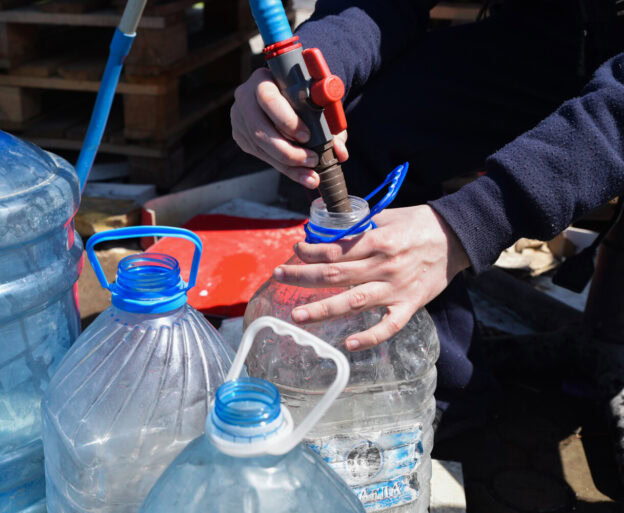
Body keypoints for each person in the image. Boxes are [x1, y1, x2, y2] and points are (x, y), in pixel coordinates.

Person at [231, 0, 624, 415]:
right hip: (554, 40)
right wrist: (310, 72)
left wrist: (466, 224)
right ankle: (445, 391)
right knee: (365, 120)